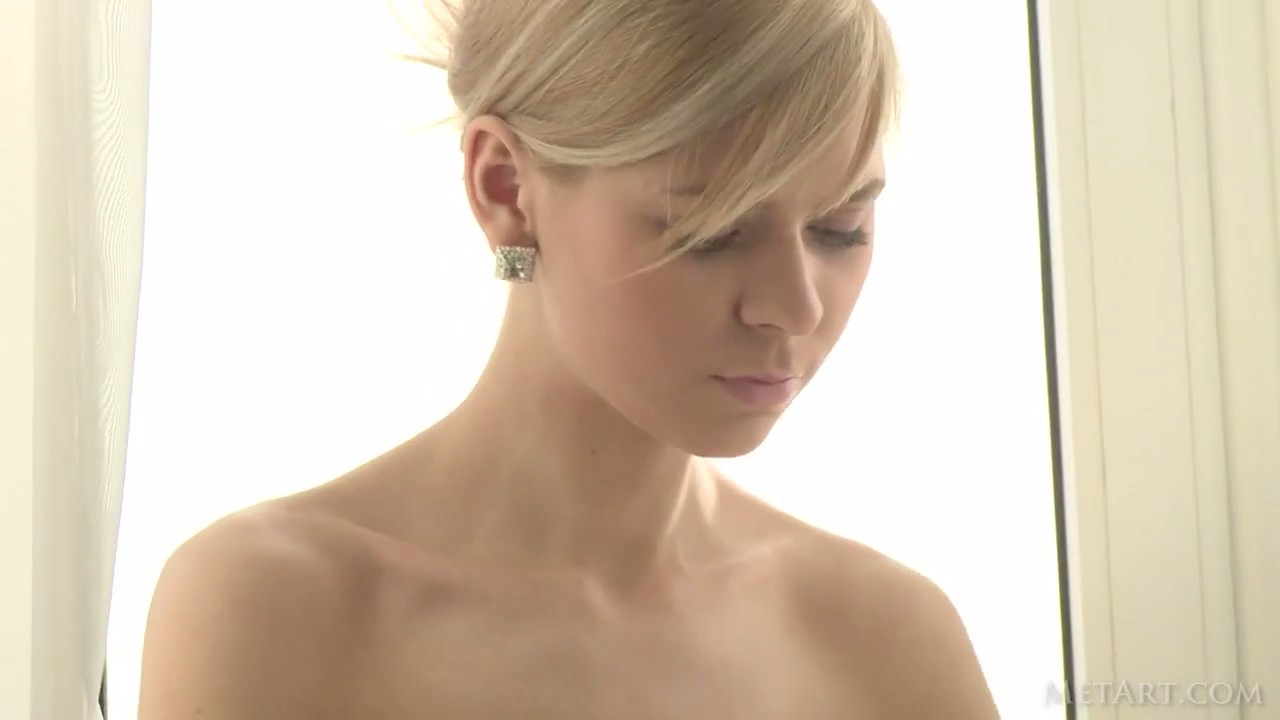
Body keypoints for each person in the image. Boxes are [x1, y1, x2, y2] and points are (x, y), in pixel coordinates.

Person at [137, 0, 1000, 717]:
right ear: (505, 189)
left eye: (841, 228)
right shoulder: (279, 608)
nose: (797, 306)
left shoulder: (884, 635)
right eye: (713, 233)